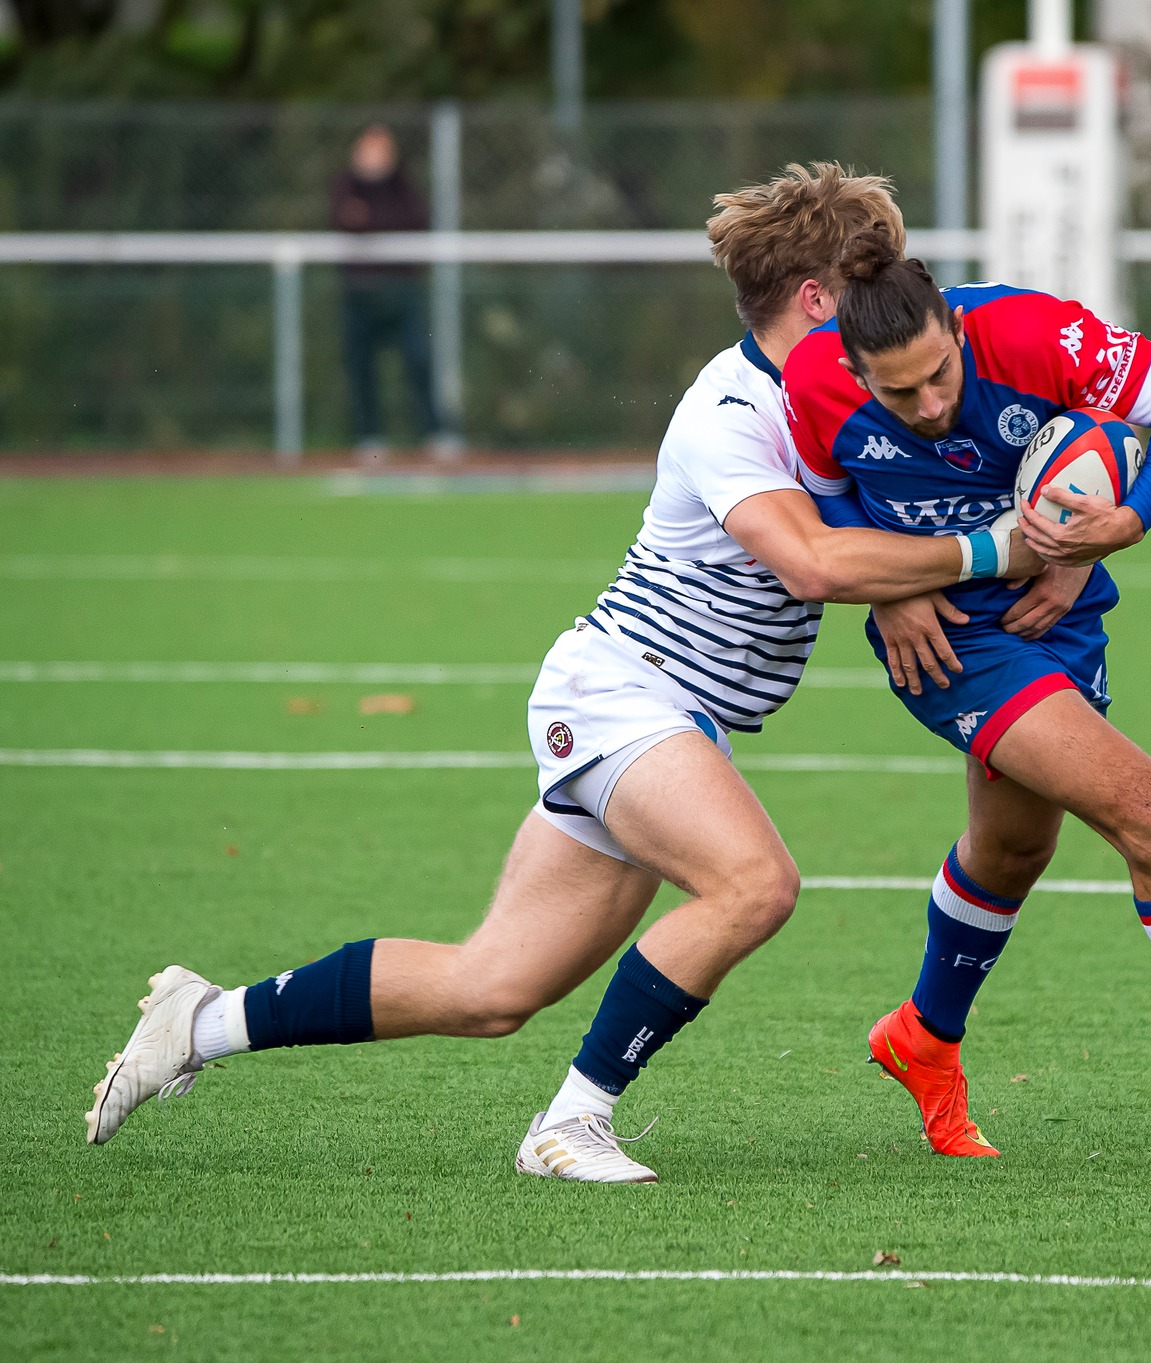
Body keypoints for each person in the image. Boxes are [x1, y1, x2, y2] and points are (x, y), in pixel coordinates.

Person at [87, 163, 1044, 1183]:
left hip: (672, 718)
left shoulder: (840, 404)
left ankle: (204, 1019)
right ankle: (569, 1123)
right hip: (622, 696)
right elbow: (810, 559)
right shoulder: (730, 408)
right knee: (753, 885)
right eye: (867, 278)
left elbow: (865, 515)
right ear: (817, 300)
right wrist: (998, 550)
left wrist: (934, 563)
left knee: (489, 988)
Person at [781, 231, 1151, 1160]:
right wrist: (894, 592)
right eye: (898, 392)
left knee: (1013, 847)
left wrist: (1119, 527)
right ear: (854, 367)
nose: (931, 404)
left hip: (1061, 610)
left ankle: (922, 1038)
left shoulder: (1035, 333)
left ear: (954, 327)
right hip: (952, 640)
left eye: (940, 374)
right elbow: (826, 507)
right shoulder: (813, 381)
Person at [331, 124, 457, 463]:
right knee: (362, 368)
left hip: (402, 293)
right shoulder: (346, 184)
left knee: (419, 361)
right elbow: (344, 220)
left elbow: (415, 217)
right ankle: (369, 437)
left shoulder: (401, 184)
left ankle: (436, 433)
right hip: (360, 293)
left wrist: (369, 219)